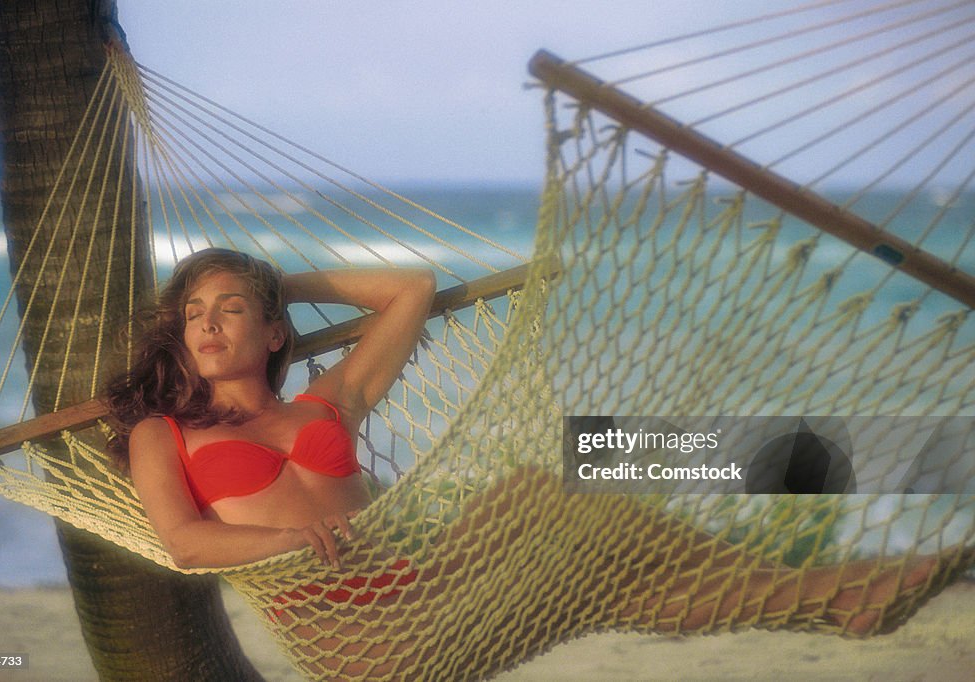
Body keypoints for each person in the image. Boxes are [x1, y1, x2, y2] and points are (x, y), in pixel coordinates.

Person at [106, 248, 952, 679]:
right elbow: (184, 542)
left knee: (592, 506)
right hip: (357, 645)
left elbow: (412, 287)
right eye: (193, 313)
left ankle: (841, 598)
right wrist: (296, 541)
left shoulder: (326, 402)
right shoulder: (164, 433)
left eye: (232, 309)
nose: (209, 324)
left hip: (424, 588)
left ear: (274, 331)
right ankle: (839, 593)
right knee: (563, 494)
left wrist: (270, 276)